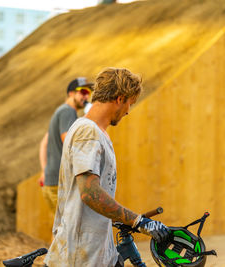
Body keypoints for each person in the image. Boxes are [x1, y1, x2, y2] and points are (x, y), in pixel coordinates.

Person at [44, 68, 169, 267]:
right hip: (80, 256)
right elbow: (89, 193)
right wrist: (138, 221)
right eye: (130, 103)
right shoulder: (88, 132)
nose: (128, 111)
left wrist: (119, 218)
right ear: (120, 99)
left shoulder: (93, 130)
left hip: (94, 251)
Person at [39, 77, 94, 212]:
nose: (86, 96)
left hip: (52, 181)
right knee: (67, 229)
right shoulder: (67, 111)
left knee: (61, 229)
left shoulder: (61, 111)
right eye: (82, 92)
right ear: (71, 93)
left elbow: (44, 142)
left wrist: (44, 170)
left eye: (88, 93)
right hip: (60, 183)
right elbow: (70, 142)